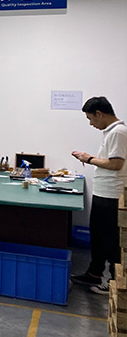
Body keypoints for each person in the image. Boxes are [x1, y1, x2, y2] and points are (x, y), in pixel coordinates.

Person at [70, 96, 127, 294]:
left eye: (90, 118)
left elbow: (116, 164)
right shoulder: (111, 132)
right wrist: (91, 158)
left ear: (99, 114)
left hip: (111, 195)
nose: (91, 123)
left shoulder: (118, 132)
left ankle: (114, 282)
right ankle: (94, 273)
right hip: (103, 192)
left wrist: (89, 159)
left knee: (111, 240)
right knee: (98, 236)